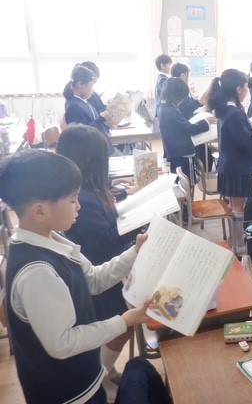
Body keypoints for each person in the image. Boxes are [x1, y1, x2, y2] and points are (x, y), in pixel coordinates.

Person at [0, 149, 150, 404]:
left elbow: (94, 279)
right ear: (39, 211)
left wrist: (135, 252)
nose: (79, 206)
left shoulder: (51, 238)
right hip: (68, 394)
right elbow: (63, 343)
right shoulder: (37, 272)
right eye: (72, 200)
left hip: (83, 378)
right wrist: (123, 321)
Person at [56, 125, 141, 400]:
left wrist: (120, 201)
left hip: (102, 270)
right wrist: (135, 225)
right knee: (120, 326)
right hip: (100, 272)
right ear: (91, 160)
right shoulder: (82, 197)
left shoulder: (84, 190)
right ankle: (100, 374)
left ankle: (106, 370)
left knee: (121, 326)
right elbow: (104, 242)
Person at [208, 68, 252, 256]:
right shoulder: (234, 113)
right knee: (238, 207)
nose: (247, 91)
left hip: (230, 165)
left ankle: (235, 240)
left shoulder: (225, 110)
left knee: (234, 205)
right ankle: (238, 246)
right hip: (237, 167)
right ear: (239, 89)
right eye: (246, 87)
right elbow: (245, 142)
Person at [158, 77, 215, 174]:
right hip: (181, 152)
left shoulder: (164, 107)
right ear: (176, 95)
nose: (182, 100)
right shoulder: (170, 111)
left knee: (179, 176)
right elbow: (190, 129)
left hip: (174, 151)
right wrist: (206, 121)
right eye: (182, 98)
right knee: (186, 177)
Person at [63, 63, 113, 154]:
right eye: (91, 86)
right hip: (92, 153)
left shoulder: (84, 101)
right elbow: (81, 134)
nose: (92, 90)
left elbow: (92, 123)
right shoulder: (74, 106)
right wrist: (101, 119)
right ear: (80, 84)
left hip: (100, 148)